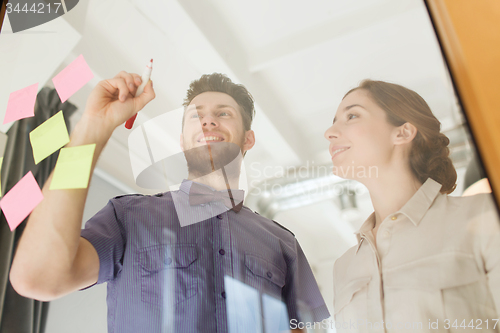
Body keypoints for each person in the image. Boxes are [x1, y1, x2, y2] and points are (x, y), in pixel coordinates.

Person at [10, 71, 329, 332]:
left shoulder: (282, 243)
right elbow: (37, 277)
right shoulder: (127, 218)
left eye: (223, 113)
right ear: (181, 140)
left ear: (248, 139)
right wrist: (92, 130)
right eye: (196, 116)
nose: (209, 122)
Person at [324, 80, 500, 332]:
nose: (329, 132)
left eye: (352, 115)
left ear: (403, 132)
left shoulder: (482, 215)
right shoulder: (344, 266)